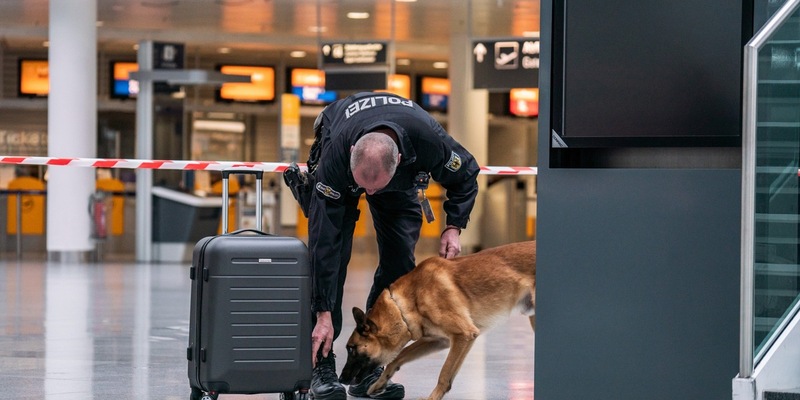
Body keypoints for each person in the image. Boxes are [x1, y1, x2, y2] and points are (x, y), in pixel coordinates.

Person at [284, 92, 479, 400]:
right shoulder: (337, 155)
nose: (370, 194)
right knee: (333, 256)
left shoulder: (429, 141)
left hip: (399, 179)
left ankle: (368, 365)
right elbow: (324, 245)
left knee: (400, 264)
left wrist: (454, 227)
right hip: (340, 161)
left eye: (375, 187)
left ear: (398, 160)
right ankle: (321, 363)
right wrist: (322, 312)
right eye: (364, 187)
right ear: (352, 153)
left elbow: (466, 175)